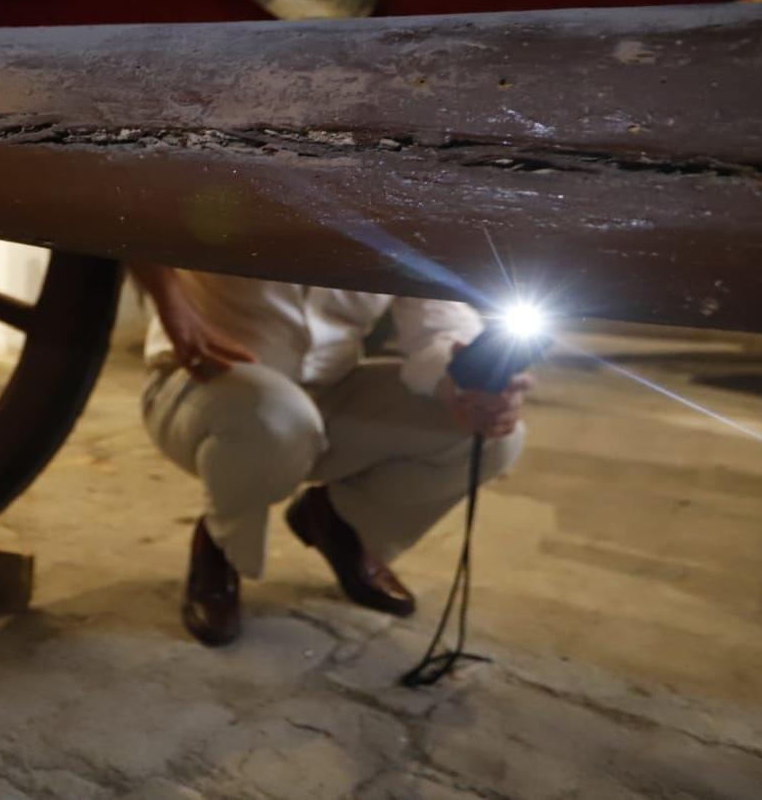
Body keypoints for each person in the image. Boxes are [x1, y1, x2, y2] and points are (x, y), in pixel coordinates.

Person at [128, 264, 531, 646]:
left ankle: (337, 522)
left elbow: (437, 320)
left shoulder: (396, 208)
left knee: (496, 437)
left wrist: (465, 387)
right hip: (203, 381)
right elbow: (134, 203)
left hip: (327, 390)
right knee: (276, 418)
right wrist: (170, 301)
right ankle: (220, 541)